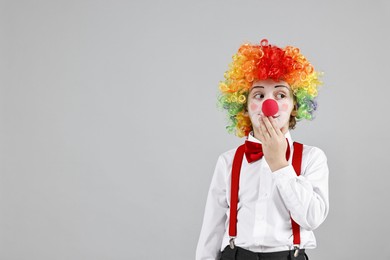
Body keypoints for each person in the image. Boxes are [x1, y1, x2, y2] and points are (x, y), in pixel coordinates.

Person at [196, 39, 329, 260]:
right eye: (259, 95)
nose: (270, 104)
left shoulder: (311, 158)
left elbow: (312, 218)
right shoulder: (228, 161)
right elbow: (212, 230)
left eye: (280, 95)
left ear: (295, 106)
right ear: (245, 107)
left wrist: (280, 165)